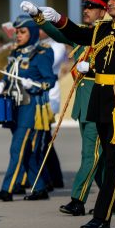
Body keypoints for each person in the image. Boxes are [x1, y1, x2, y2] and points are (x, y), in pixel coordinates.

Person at [23, 0, 115, 228]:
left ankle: (102, 217)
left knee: (114, 161)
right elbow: (77, 33)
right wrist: (55, 17)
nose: (111, 2)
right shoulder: (102, 29)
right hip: (100, 100)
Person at [40, 0, 108, 216]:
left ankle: (78, 199)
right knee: (98, 156)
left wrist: (93, 69)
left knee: (91, 155)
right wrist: (39, 17)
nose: (86, 11)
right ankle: (112, 196)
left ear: (103, 11)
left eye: (91, 7)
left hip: (100, 105)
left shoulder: (109, 35)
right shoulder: (83, 34)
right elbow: (60, 35)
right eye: (85, 7)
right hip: (84, 104)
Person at [0, 15, 56, 202]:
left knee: (17, 148)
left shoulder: (42, 52)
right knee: (26, 151)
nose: (18, 35)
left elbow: (49, 81)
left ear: (33, 32)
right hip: (15, 106)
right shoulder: (16, 52)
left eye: (22, 32)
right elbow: (10, 74)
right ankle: (39, 187)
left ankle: (8, 189)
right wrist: (1, 84)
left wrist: (33, 84)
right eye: (17, 32)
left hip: (32, 107)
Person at [38, 29, 66, 190]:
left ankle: (50, 178)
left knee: (43, 138)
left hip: (50, 95)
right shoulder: (35, 45)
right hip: (36, 94)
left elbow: (49, 63)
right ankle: (53, 177)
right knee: (43, 137)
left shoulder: (58, 45)